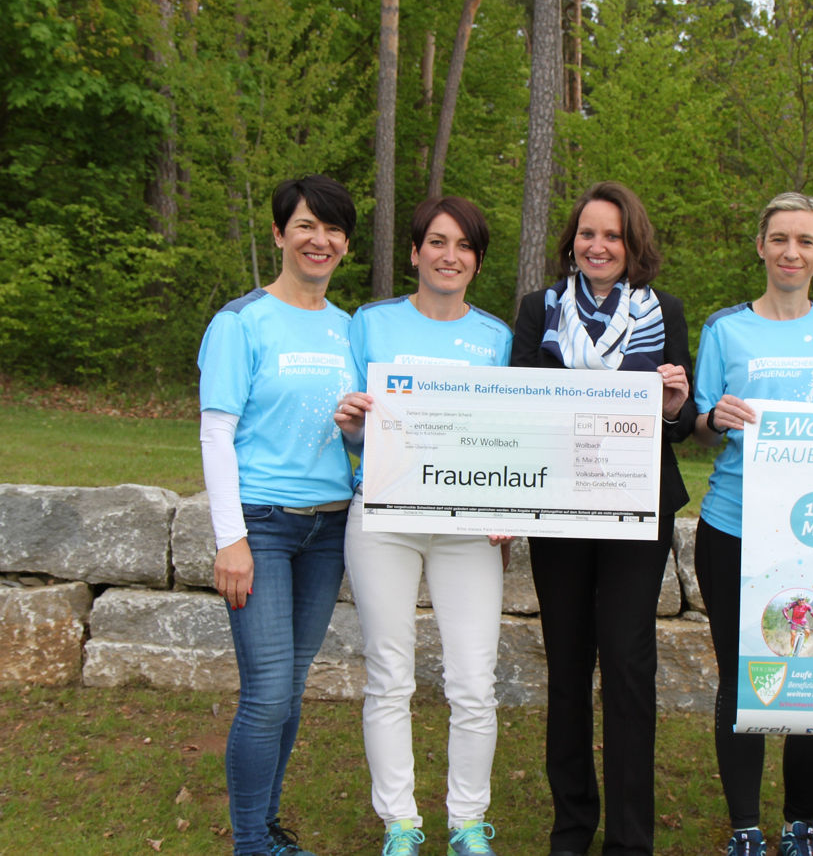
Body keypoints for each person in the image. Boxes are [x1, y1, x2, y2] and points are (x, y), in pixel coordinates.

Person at [510, 181, 696, 856]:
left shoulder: (663, 312)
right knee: (566, 665)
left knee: (625, 665)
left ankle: (629, 840)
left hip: (636, 510)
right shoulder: (540, 311)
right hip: (559, 509)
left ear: (632, 244)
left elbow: (680, 425)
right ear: (572, 241)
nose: (599, 245)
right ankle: (571, 827)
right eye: (588, 233)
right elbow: (517, 411)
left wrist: (675, 404)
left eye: (612, 235)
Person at [333, 197, 513, 856]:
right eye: (437, 242)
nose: (449, 255)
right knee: (390, 674)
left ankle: (468, 824)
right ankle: (400, 824)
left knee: (473, 680)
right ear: (414, 252)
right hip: (384, 515)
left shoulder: (496, 338)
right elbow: (352, 427)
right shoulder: (371, 324)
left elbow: (508, 438)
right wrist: (351, 423)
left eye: (464, 246)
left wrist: (509, 509)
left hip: (467, 526)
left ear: (477, 261)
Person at [197, 174, 358, 856]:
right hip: (262, 526)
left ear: (345, 244)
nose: (319, 240)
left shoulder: (351, 330)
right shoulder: (241, 322)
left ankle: (265, 828)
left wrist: (356, 434)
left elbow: (356, 438)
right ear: (278, 235)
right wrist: (230, 539)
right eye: (305, 227)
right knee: (266, 693)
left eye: (332, 229)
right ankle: (250, 844)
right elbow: (215, 433)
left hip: (328, 530)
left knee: (289, 692)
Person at [692, 192, 813, 856]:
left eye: (805, 240)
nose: (792, 252)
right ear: (759, 245)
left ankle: (799, 823)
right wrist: (712, 421)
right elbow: (699, 426)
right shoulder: (724, 330)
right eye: (779, 238)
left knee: (811, 676)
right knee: (743, 679)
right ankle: (746, 828)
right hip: (734, 527)